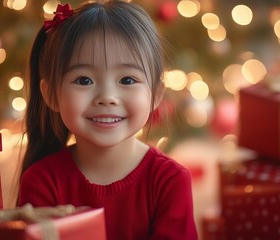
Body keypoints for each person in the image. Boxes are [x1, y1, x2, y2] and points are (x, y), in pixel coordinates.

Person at [18, 1, 198, 239]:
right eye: (84, 80)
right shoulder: (42, 181)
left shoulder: (169, 181)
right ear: (51, 94)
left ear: (156, 94)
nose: (107, 98)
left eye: (127, 80)